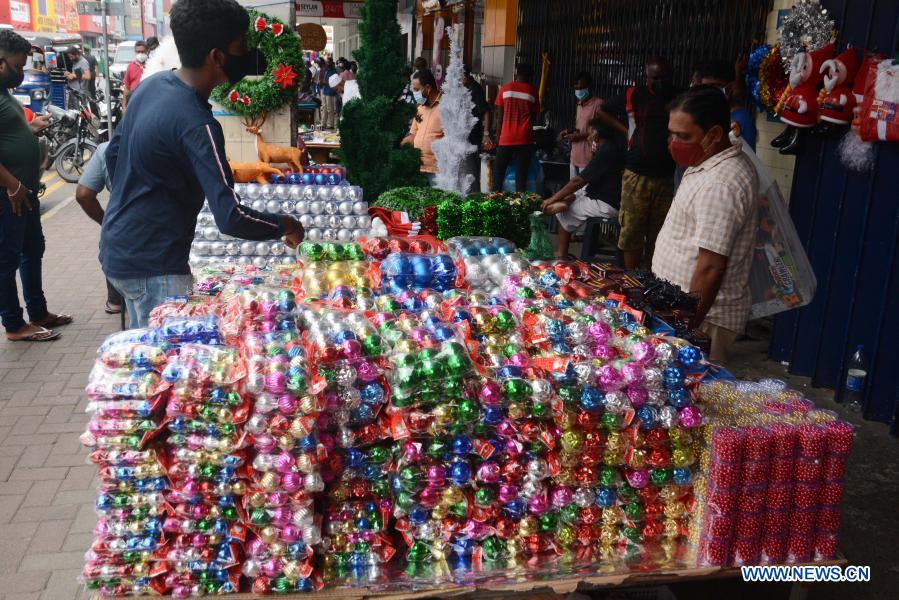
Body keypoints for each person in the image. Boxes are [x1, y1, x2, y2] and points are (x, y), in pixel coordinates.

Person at [100, 0, 305, 329]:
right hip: (157, 269)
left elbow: (114, 156)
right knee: (169, 366)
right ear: (217, 57)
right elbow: (231, 217)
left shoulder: (150, 86)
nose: (248, 56)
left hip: (118, 249)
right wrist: (288, 224)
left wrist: (150, 192)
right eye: (241, 47)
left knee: (145, 353)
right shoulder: (199, 124)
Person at [652, 87, 759, 363]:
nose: (673, 142)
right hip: (682, 308)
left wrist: (685, 328)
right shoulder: (708, 160)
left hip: (704, 319)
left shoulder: (721, 184)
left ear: (713, 134)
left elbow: (711, 267)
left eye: (683, 136)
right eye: (671, 133)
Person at [1, 29, 71, 341]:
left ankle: (38, 312)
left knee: (32, 249)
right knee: (7, 259)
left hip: (24, 192)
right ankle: (14, 325)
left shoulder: (5, 95)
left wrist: (31, 128)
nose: (21, 74)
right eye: (17, 67)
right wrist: (12, 185)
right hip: (9, 195)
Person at [598, 56, 677, 269]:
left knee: (659, 233)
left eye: (663, 78)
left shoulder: (678, 97)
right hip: (636, 174)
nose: (659, 82)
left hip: (666, 176)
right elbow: (602, 110)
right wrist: (626, 132)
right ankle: (632, 277)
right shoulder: (635, 95)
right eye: (654, 78)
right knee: (632, 230)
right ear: (646, 77)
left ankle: (651, 276)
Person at [542, 118, 626, 257]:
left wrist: (553, 198)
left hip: (607, 204)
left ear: (597, 135)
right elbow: (590, 168)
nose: (589, 134)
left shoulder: (606, 152)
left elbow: (578, 180)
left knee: (563, 213)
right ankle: (565, 201)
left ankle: (561, 253)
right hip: (601, 194)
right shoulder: (611, 147)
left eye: (591, 132)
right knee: (577, 193)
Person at [75, 142, 123, 314]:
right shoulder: (164, 139)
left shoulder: (107, 148)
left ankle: (115, 300)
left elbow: (83, 194)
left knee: (112, 239)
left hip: (120, 225)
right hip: (159, 224)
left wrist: (105, 223)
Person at [492, 63, 539, 193]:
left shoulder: (504, 90)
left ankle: (494, 202)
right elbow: (534, 117)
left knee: (498, 174)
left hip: (506, 138)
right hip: (525, 139)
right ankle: (520, 207)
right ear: (529, 76)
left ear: (517, 73)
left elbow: (499, 117)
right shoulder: (532, 91)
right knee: (521, 178)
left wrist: (497, 138)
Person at [402, 69, 443, 185]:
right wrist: (397, 145)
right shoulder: (420, 108)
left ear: (428, 88)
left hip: (438, 170)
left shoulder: (446, 107)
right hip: (419, 167)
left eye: (416, 90)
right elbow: (413, 135)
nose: (415, 93)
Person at [561, 71, 603, 179]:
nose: (578, 91)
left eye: (581, 87)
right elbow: (581, 127)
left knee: (585, 193)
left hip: (588, 157)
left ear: (589, 86)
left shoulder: (598, 104)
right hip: (574, 156)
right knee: (573, 193)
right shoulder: (579, 104)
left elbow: (600, 131)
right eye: (576, 88)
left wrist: (581, 136)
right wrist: (569, 132)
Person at [463, 65, 491, 193]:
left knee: (471, 171)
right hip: (463, 136)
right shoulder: (463, 88)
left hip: (472, 137)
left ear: (466, 76)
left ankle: (474, 199)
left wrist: (486, 133)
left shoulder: (474, 89)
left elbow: (486, 111)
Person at [122, 40, 147, 107]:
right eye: (138, 52)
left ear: (146, 51)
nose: (140, 54)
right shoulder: (131, 66)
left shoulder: (151, 65)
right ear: (135, 52)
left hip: (148, 100)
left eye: (142, 52)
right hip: (134, 101)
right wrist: (124, 106)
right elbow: (127, 88)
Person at [320, 57, 338, 129]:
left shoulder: (333, 71)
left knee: (330, 109)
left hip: (330, 91)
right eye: (327, 62)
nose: (327, 63)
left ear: (331, 63)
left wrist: (325, 82)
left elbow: (334, 82)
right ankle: (323, 123)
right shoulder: (326, 70)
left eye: (329, 62)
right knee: (324, 108)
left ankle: (331, 124)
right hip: (325, 90)